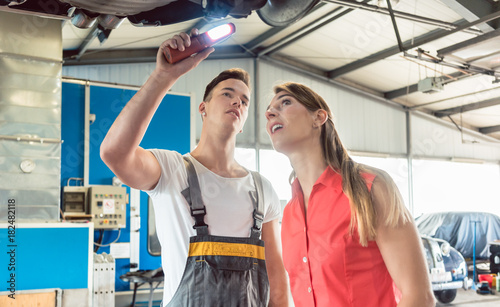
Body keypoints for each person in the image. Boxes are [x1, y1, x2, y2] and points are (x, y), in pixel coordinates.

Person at [101, 29, 289, 306]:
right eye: (227, 93)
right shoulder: (170, 170)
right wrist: (164, 76)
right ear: (203, 108)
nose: (237, 101)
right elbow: (114, 153)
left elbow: (276, 279)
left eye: (245, 100)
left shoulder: (262, 190)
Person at [265, 82, 435, 307]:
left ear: (319, 117)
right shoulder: (289, 214)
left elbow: (419, 297)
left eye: (285, 102)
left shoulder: (369, 188)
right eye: (269, 110)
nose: (270, 112)